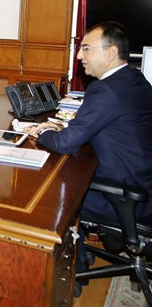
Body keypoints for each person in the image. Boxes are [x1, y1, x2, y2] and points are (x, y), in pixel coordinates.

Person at [27, 22, 152, 222]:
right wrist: (62, 127)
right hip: (142, 185)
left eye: (86, 49)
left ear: (111, 52)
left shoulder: (106, 90)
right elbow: (109, 125)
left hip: (121, 197)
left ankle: (71, 242)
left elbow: (64, 143)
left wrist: (41, 132)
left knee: (40, 191)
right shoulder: (134, 78)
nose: (79, 56)